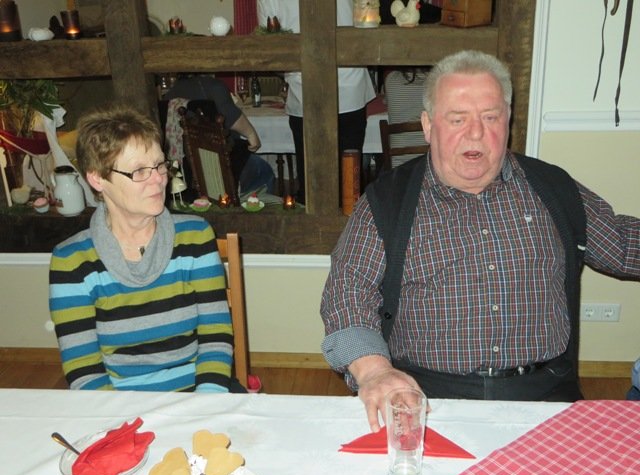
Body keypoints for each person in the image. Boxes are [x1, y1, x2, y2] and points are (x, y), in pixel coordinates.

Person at [320, 50, 640, 431]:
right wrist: (375, 371)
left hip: (546, 395)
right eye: (458, 119)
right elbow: (346, 296)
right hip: (427, 397)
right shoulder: (386, 202)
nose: (475, 133)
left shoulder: (553, 189)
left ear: (508, 120)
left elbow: (623, 244)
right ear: (428, 126)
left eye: (490, 117)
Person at [49, 104, 240, 393]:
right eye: (139, 171)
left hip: (200, 391)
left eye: (160, 165)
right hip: (120, 402)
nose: (159, 179)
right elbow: (84, 370)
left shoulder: (195, 236)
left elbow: (216, 337)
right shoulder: (72, 261)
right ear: (97, 178)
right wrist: (126, 418)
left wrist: (204, 403)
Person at [258, 0, 376, 203]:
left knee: (312, 181)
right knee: (349, 183)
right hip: (347, 86)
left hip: (308, 89)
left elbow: (270, 48)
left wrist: (289, 72)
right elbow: (368, 25)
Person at [163, 75, 275, 196]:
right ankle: (247, 204)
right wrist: (252, 134)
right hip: (220, 164)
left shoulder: (172, 92)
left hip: (187, 167)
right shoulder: (213, 87)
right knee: (264, 171)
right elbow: (230, 118)